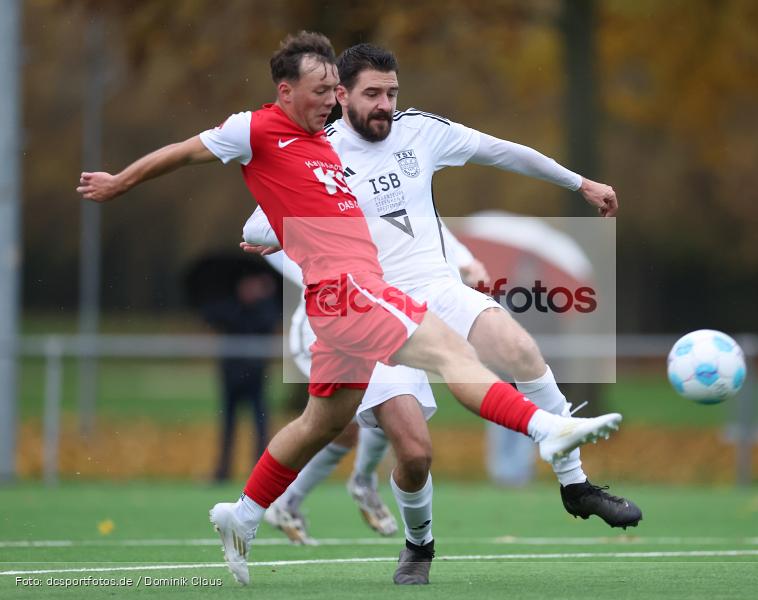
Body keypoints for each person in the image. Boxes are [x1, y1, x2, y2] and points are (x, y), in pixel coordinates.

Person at [75, 31, 624, 587]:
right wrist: (121, 182)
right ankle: (546, 430)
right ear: (288, 91)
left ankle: (240, 515)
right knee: (450, 354)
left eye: (335, 88)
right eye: (324, 90)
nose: (332, 99)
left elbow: (332, 207)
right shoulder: (257, 129)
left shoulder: (325, 144)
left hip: (344, 299)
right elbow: (188, 156)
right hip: (353, 292)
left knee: (324, 422)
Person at [240, 42, 642, 584]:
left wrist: (581, 183)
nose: (385, 105)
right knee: (415, 454)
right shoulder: (318, 153)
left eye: (392, 93)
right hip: (371, 309)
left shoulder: (420, 132)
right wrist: (280, 231)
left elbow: (504, 151)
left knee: (521, 348)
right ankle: (419, 546)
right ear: (340, 96)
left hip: (436, 288)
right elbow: (254, 227)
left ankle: (575, 485)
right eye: (372, 94)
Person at [253, 219, 487, 547]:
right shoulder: (324, 187)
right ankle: (352, 484)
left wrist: (464, 259)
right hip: (325, 328)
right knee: (353, 413)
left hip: (379, 323)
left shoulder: (383, 191)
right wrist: (316, 265)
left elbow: (422, 215)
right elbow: (262, 226)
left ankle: (289, 502)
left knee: (352, 425)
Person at [200, 270, 280, 482]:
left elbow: (269, 323)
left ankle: (260, 472)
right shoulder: (230, 307)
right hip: (231, 376)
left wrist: (265, 297)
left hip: (256, 377)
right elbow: (211, 316)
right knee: (228, 424)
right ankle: (223, 469)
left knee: (261, 425)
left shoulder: (264, 309)